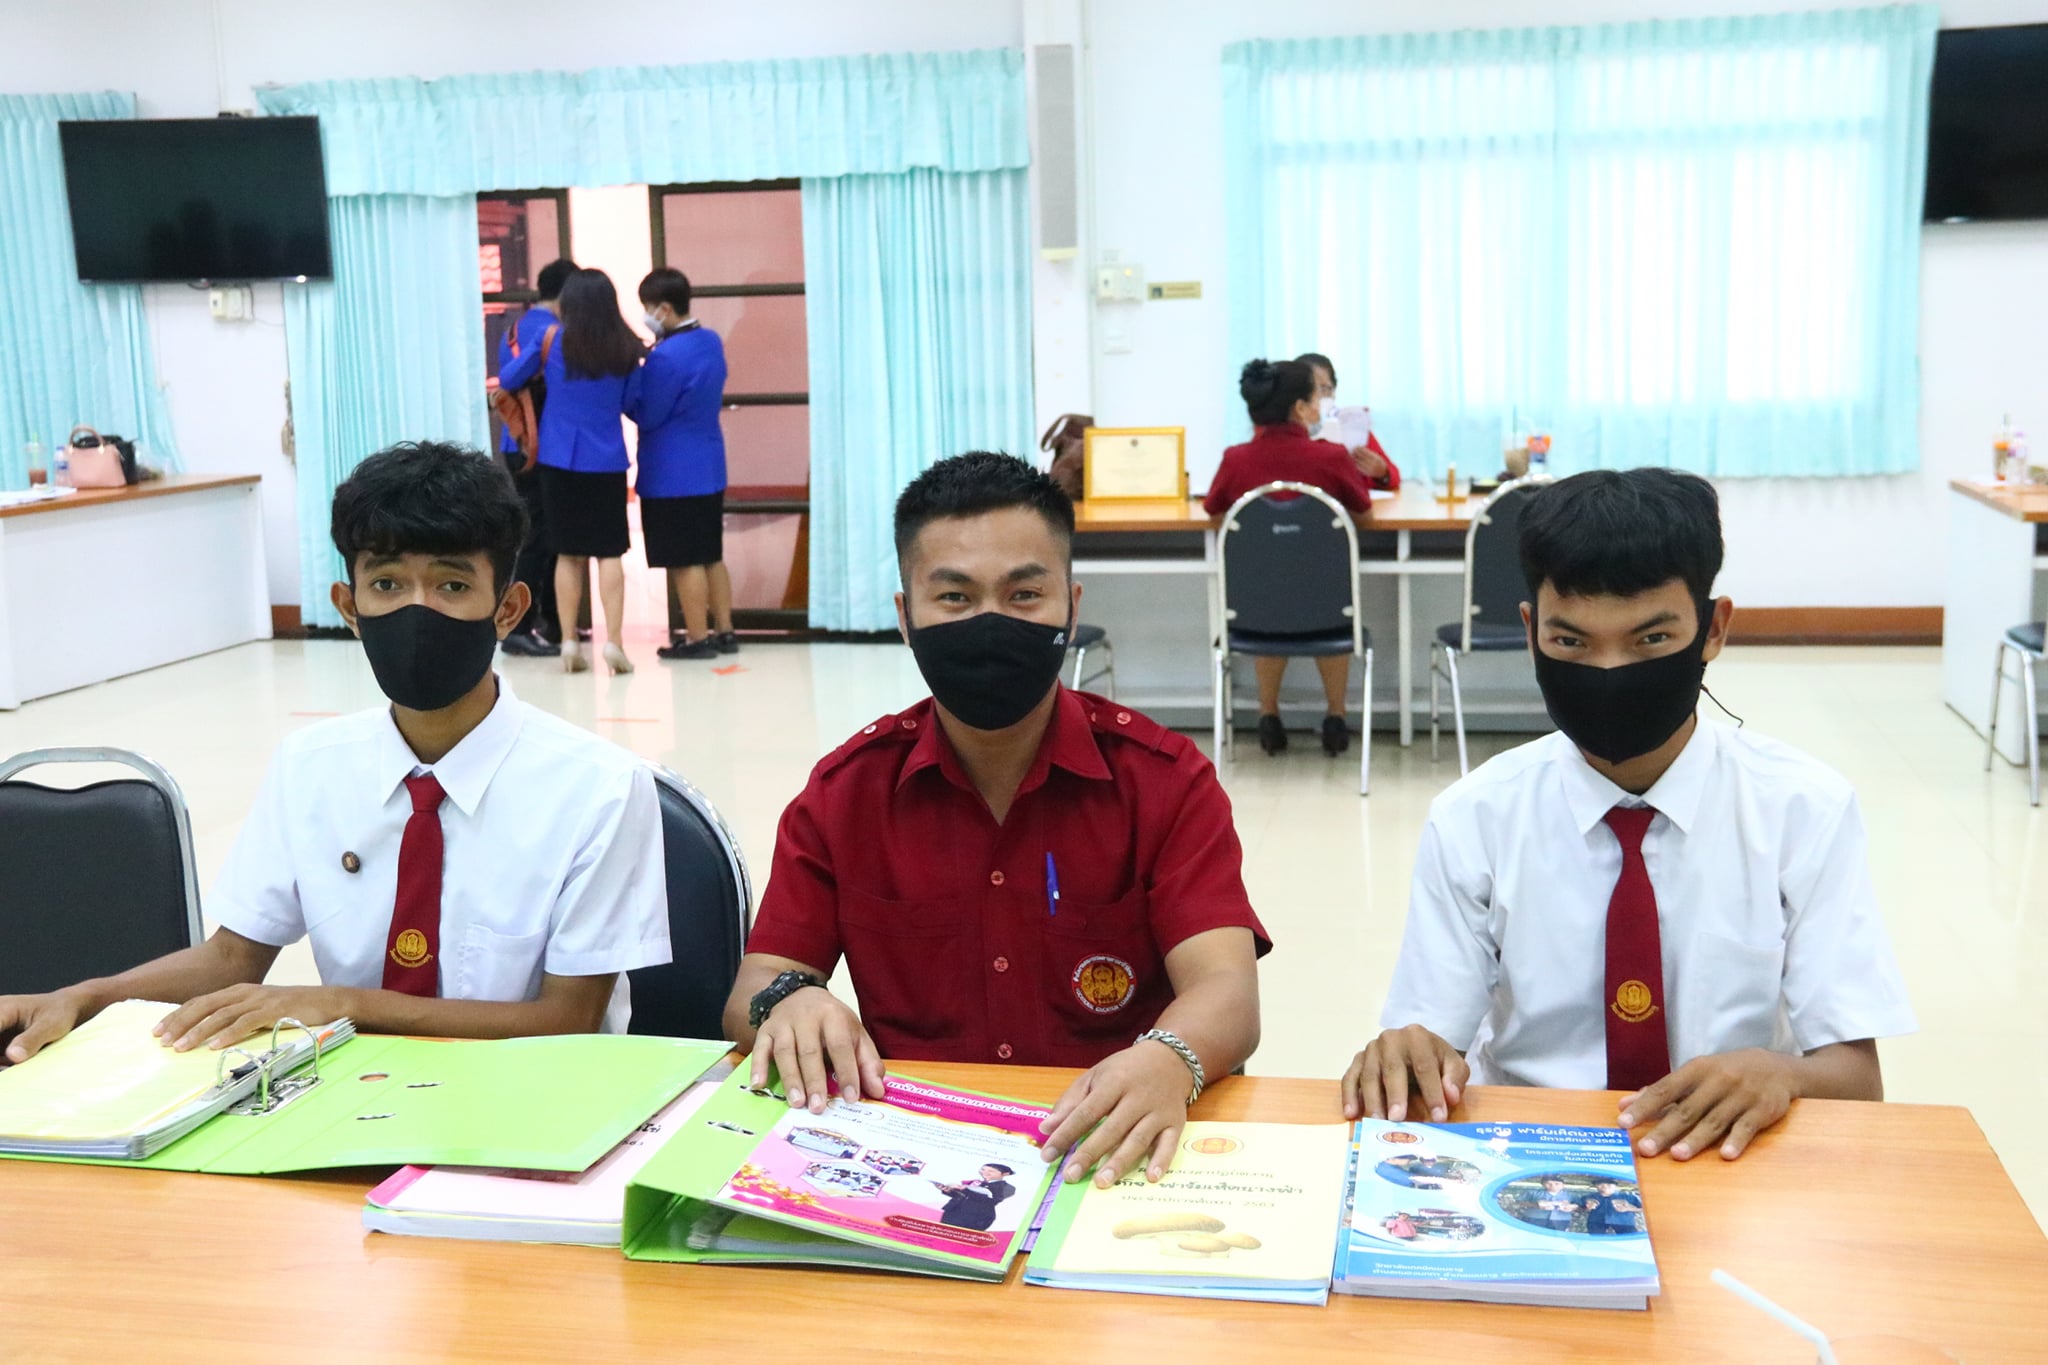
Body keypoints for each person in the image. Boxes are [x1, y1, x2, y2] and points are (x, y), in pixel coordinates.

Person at [0, 442, 673, 1061]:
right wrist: (86, 998)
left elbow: (568, 1020)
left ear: (508, 609)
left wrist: (347, 1005)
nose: (417, 611)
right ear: (349, 607)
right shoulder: (309, 766)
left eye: (452, 585)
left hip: (533, 1103)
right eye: (387, 585)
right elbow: (231, 958)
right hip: (352, 1101)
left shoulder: (600, 787)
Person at [724, 452, 1268, 1191]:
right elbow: (757, 982)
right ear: (905, 617)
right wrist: (791, 1000)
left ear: (1071, 607)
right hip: (918, 1165)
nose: (990, 621)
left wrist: (1170, 1057)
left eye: (1024, 594)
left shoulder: (1164, 782)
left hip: (1111, 1150)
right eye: (954, 596)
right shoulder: (845, 793)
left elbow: (1227, 989)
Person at [1340, 468, 1916, 1164]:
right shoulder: (1474, 818)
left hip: (1729, 1152)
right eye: (1571, 643)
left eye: (1650, 640)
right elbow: (1429, 1046)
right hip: (1530, 1151)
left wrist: (1783, 1074)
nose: (1609, 672)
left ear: (1713, 629)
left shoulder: (1804, 810)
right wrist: (1407, 1057)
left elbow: (1858, 1082)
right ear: (1530, 631)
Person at [1204, 358, 1379, 759]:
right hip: (1327, 606)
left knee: (1270, 597)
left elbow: (1214, 515)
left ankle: (1268, 716)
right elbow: (1365, 517)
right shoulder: (1331, 457)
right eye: (1316, 398)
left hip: (1257, 611)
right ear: (1300, 408)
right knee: (1324, 600)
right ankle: (1336, 717)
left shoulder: (1235, 459)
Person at [499, 267, 645, 676]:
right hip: (607, 461)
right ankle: (614, 642)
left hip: (559, 459)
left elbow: (509, 378)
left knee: (568, 553)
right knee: (610, 552)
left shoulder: (552, 340)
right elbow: (632, 403)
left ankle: (567, 641)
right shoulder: (625, 348)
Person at [626, 268, 737, 662]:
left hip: (672, 473)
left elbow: (648, 413)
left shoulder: (665, 357)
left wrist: (629, 385)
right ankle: (724, 630)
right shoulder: (710, 341)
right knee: (710, 554)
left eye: (648, 308)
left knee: (683, 559)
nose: (647, 316)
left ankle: (696, 638)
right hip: (708, 464)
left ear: (665, 309)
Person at [496, 257, 576, 658]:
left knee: (538, 534)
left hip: (516, 443)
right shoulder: (554, 333)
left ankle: (549, 623)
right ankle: (524, 626)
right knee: (543, 538)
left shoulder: (514, 327)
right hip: (545, 448)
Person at [1295, 351, 1400, 491]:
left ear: (1333, 392)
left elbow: (1393, 476)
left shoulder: (1351, 425)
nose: (1318, 396)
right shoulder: (1286, 430)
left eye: (1325, 389)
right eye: (1312, 389)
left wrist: (1382, 473)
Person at [937, 1164, 1017, 1231]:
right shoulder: (976, 1182)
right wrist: (948, 1191)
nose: (985, 1172)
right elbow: (963, 1196)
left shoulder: (1008, 1187)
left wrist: (965, 1189)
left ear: (1005, 1174)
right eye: (983, 1169)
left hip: (975, 1217)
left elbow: (991, 1201)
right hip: (953, 1213)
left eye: (991, 1171)